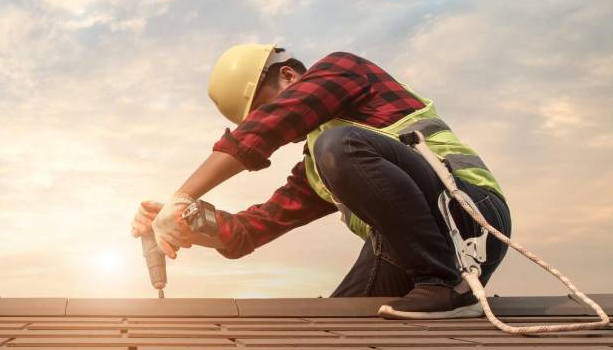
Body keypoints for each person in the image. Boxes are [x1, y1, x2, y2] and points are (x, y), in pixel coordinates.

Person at [130, 44, 512, 319]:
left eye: (268, 107)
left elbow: (275, 125)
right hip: (407, 250)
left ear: (289, 75)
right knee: (337, 324)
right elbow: (252, 229)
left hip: (470, 215)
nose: (277, 120)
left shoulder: (344, 71)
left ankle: (447, 286)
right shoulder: (321, 167)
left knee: (338, 145)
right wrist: (187, 222)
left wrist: (182, 194)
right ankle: (438, 291)